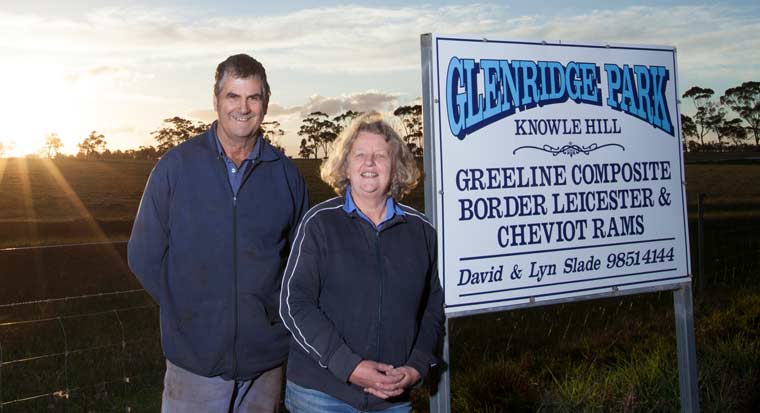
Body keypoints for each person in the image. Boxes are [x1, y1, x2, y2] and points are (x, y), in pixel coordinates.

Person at [128, 54, 309, 412]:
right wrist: (189, 314)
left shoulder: (285, 175)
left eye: (253, 97)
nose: (243, 108)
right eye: (233, 96)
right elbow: (143, 254)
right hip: (194, 364)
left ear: (265, 104)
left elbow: (303, 261)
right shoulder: (176, 167)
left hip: (265, 362)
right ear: (216, 101)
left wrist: (275, 319)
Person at [279, 112, 444, 412]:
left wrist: (417, 367)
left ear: (396, 168)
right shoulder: (319, 224)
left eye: (380, 155)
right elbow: (294, 303)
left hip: (392, 398)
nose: (369, 163)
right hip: (321, 395)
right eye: (360, 155)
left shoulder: (422, 231)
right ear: (346, 165)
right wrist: (348, 366)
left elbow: (433, 308)